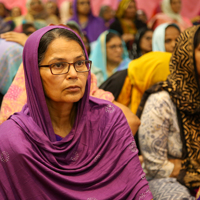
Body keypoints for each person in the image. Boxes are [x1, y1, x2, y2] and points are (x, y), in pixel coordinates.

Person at [0, 25, 153, 199]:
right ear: (34, 72)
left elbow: (135, 190)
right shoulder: (11, 141)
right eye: (58, 65)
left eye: (80, 63)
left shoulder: (110, 120)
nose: (73, 74)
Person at [138, 25, 200, 199]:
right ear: (186, 55)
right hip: (165, 178)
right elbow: (155, 166)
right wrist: (189, 168)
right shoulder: (162, 101)